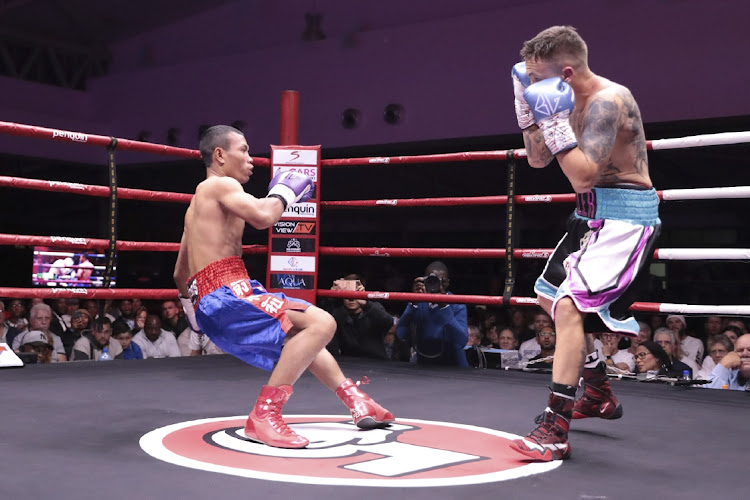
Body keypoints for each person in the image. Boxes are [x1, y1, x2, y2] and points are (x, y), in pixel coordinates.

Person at [172, 125, 393, 449]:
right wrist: (286, 191)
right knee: (324, 322)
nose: (251, 159)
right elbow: (263, 216)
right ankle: (264, 415)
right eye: (244, 150)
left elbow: (179, 273)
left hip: (214, 299)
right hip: (228, 291)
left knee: (300, 334)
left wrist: (195, 318)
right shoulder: (221, 184)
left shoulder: (196, 206)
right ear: (219, 155)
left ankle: (357, 401)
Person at [508, 26, 661, 462]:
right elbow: (538, 159)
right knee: (548, 296)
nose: (532, 85)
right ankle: (596, 391)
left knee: (572, 307)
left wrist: (552, 120)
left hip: (626, 216)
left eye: (538, 79)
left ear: (567, 73)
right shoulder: (558, 97)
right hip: (589, 216)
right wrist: (527, 111)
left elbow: (581, 175)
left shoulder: (608, 102)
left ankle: (554, 428)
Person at [395, 261, 468, 366]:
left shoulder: (457, 303)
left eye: (440, 281)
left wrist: (444, 307)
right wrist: (413, 302)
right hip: (424, 364)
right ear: (424, 281)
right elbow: (401, 334)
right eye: (431, 281)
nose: (436, 285)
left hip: (453, 365)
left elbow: (461, 341)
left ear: (447, 283)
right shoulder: (418, 303)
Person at [326, 276, 395, 360]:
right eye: (347, 293)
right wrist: (332, 298)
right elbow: (326, 326)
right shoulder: (338, 313)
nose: (351, 299)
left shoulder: (374, 308)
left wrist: (365, 303)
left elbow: (388, 322)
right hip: (349, 363)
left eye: (355, 292)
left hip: (377, 362)